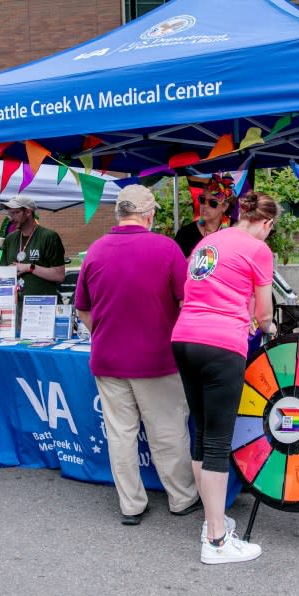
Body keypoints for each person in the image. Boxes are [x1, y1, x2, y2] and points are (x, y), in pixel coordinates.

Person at [75, 184, 200, 526]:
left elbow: (83, 310)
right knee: (169, 432)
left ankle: (131, 504)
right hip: (157, 359)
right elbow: (185, 302)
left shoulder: (96, 251)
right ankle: (181, 497)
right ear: (149, 215)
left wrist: (103, 331)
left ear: (118, 213)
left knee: (120, 435)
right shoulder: (166, 248)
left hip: (108, 360)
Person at [171, 191, 280, 565]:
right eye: (271, 229)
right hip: (221, 343)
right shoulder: (257, 249)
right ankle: (217, 542)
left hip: (184, 338)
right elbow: (264, 314)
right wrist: (269, 325)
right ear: (266, 223)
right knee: (218, 441)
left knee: (201, 435)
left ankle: (211, 522)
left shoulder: (208, 241)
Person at [0, 196, 66, 331]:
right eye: (9, 213)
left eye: (15, 212)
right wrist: (8, 271)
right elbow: (1, 273)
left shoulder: (48, 237)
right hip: (17, 307)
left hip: (43, 308)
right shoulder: (10, 239)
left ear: (28, 212)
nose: (11, 217)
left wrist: (30, 267)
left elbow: (59, 275)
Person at [174, 173, 235, 258]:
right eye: (202, 200)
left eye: (212, 202)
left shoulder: (236, 229)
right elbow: (177, 266)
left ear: (224, 207)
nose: (205, 205)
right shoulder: (185, 234)